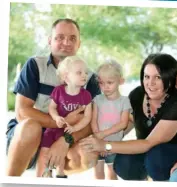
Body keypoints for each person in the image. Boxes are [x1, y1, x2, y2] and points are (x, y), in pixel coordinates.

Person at [6, 18, 101, 176]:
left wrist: (65, 140)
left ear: (79, 44)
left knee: (90, 152)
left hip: (66, 137)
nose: (66, 42)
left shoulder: (90, 78)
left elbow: (93, 122)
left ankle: (54, 177)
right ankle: (9, 180)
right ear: (50, 41)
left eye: (72, 38)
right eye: (60, 37)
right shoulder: (35, 65)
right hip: (26, 139)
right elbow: (22, 112)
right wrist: (61, 122)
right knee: (30, 126)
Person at [80, 53, 177, 181]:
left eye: (157, 77)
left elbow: (149, 143)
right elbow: (127, 123)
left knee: (156, 157)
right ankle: (143, 180)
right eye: (147, 77)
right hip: (148, 152)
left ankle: (166, 181)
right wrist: (99, 139)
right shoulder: (137, 94)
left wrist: (105, 145)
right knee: (123, 161)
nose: (150, 83)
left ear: (169, 78)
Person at [36, 56, 94, 178]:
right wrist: (56, 117)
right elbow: (52, 108)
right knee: (45, 150)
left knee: (61, 153)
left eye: (86, 72)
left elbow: (87, 117)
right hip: (54, 128)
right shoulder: (58, 91)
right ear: (67, 77)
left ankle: (60, 174)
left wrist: (75, 128)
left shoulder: (86, 95)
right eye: (79, 72)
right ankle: (44, 174)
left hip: (70, 131)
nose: (84, 75)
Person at [91, 61, 132, 180]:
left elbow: (123, 124)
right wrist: (99, 139)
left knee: (111, 173)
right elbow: (93, 120)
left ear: (121, 81)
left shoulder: (124, 101)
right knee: (98, 174)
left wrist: (104, 139)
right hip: (98, 142)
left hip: (113, 145)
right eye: (101, 83)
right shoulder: (98, 99)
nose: (105, 87)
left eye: (110, 82)